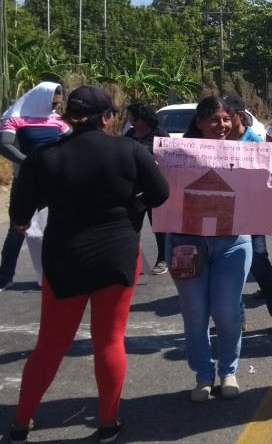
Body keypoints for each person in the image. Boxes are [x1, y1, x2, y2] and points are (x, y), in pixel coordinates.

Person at [7, 85, 169, 444]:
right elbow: (160, 193)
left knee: (50, 344)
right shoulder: (129, 149)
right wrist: (131, 207)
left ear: (66, 118)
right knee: (109, 340)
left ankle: (20, 424)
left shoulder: (44, 157)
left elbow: (19, 213)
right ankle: (108, 422)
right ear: (108, 118)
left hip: (65, 255)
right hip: (117, 253)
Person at [168, 96, 254, 402]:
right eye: (215, 120)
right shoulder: (177, 155)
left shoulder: (248, 154)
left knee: (227, 313)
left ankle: (228, 371)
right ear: (200, 122)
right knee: (195, 314)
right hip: (187, 243)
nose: (222, 125)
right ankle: (203, 376)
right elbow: (160, 192)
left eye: (226, 119)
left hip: (232, 243)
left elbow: (262, 192)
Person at [223, 93, 272, 336]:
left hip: (250, 216)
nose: (220, 124)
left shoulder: (255, 142)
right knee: (231, 269)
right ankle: (239, 317)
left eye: (226, 118)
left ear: (239, 116)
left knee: (260, 264)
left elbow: (271, 176)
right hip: (223, 216)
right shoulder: (213, 144)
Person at [0, 82, 69, 291]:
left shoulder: (57, 120)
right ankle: (5, 277)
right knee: (17, 228)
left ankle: (52, 276)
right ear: (42, 98)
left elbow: (70, 142)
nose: (55, 107)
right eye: (53, 103)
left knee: (55, 228)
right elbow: (4, 145)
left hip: (52, 180)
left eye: (57, 104)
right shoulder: (15, 117)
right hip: (26, 181)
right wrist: (30, 162)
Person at [124, 101, 170, 275]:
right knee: (131, 227)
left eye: (134, 118)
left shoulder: (161, 136)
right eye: (130, 119)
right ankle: (132, 261)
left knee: (158, 227)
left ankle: (163, 259)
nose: (132, 122)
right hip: (133, 190)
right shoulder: (129, 135)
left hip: (154, 189)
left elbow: (168, 164)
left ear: (145, 119)